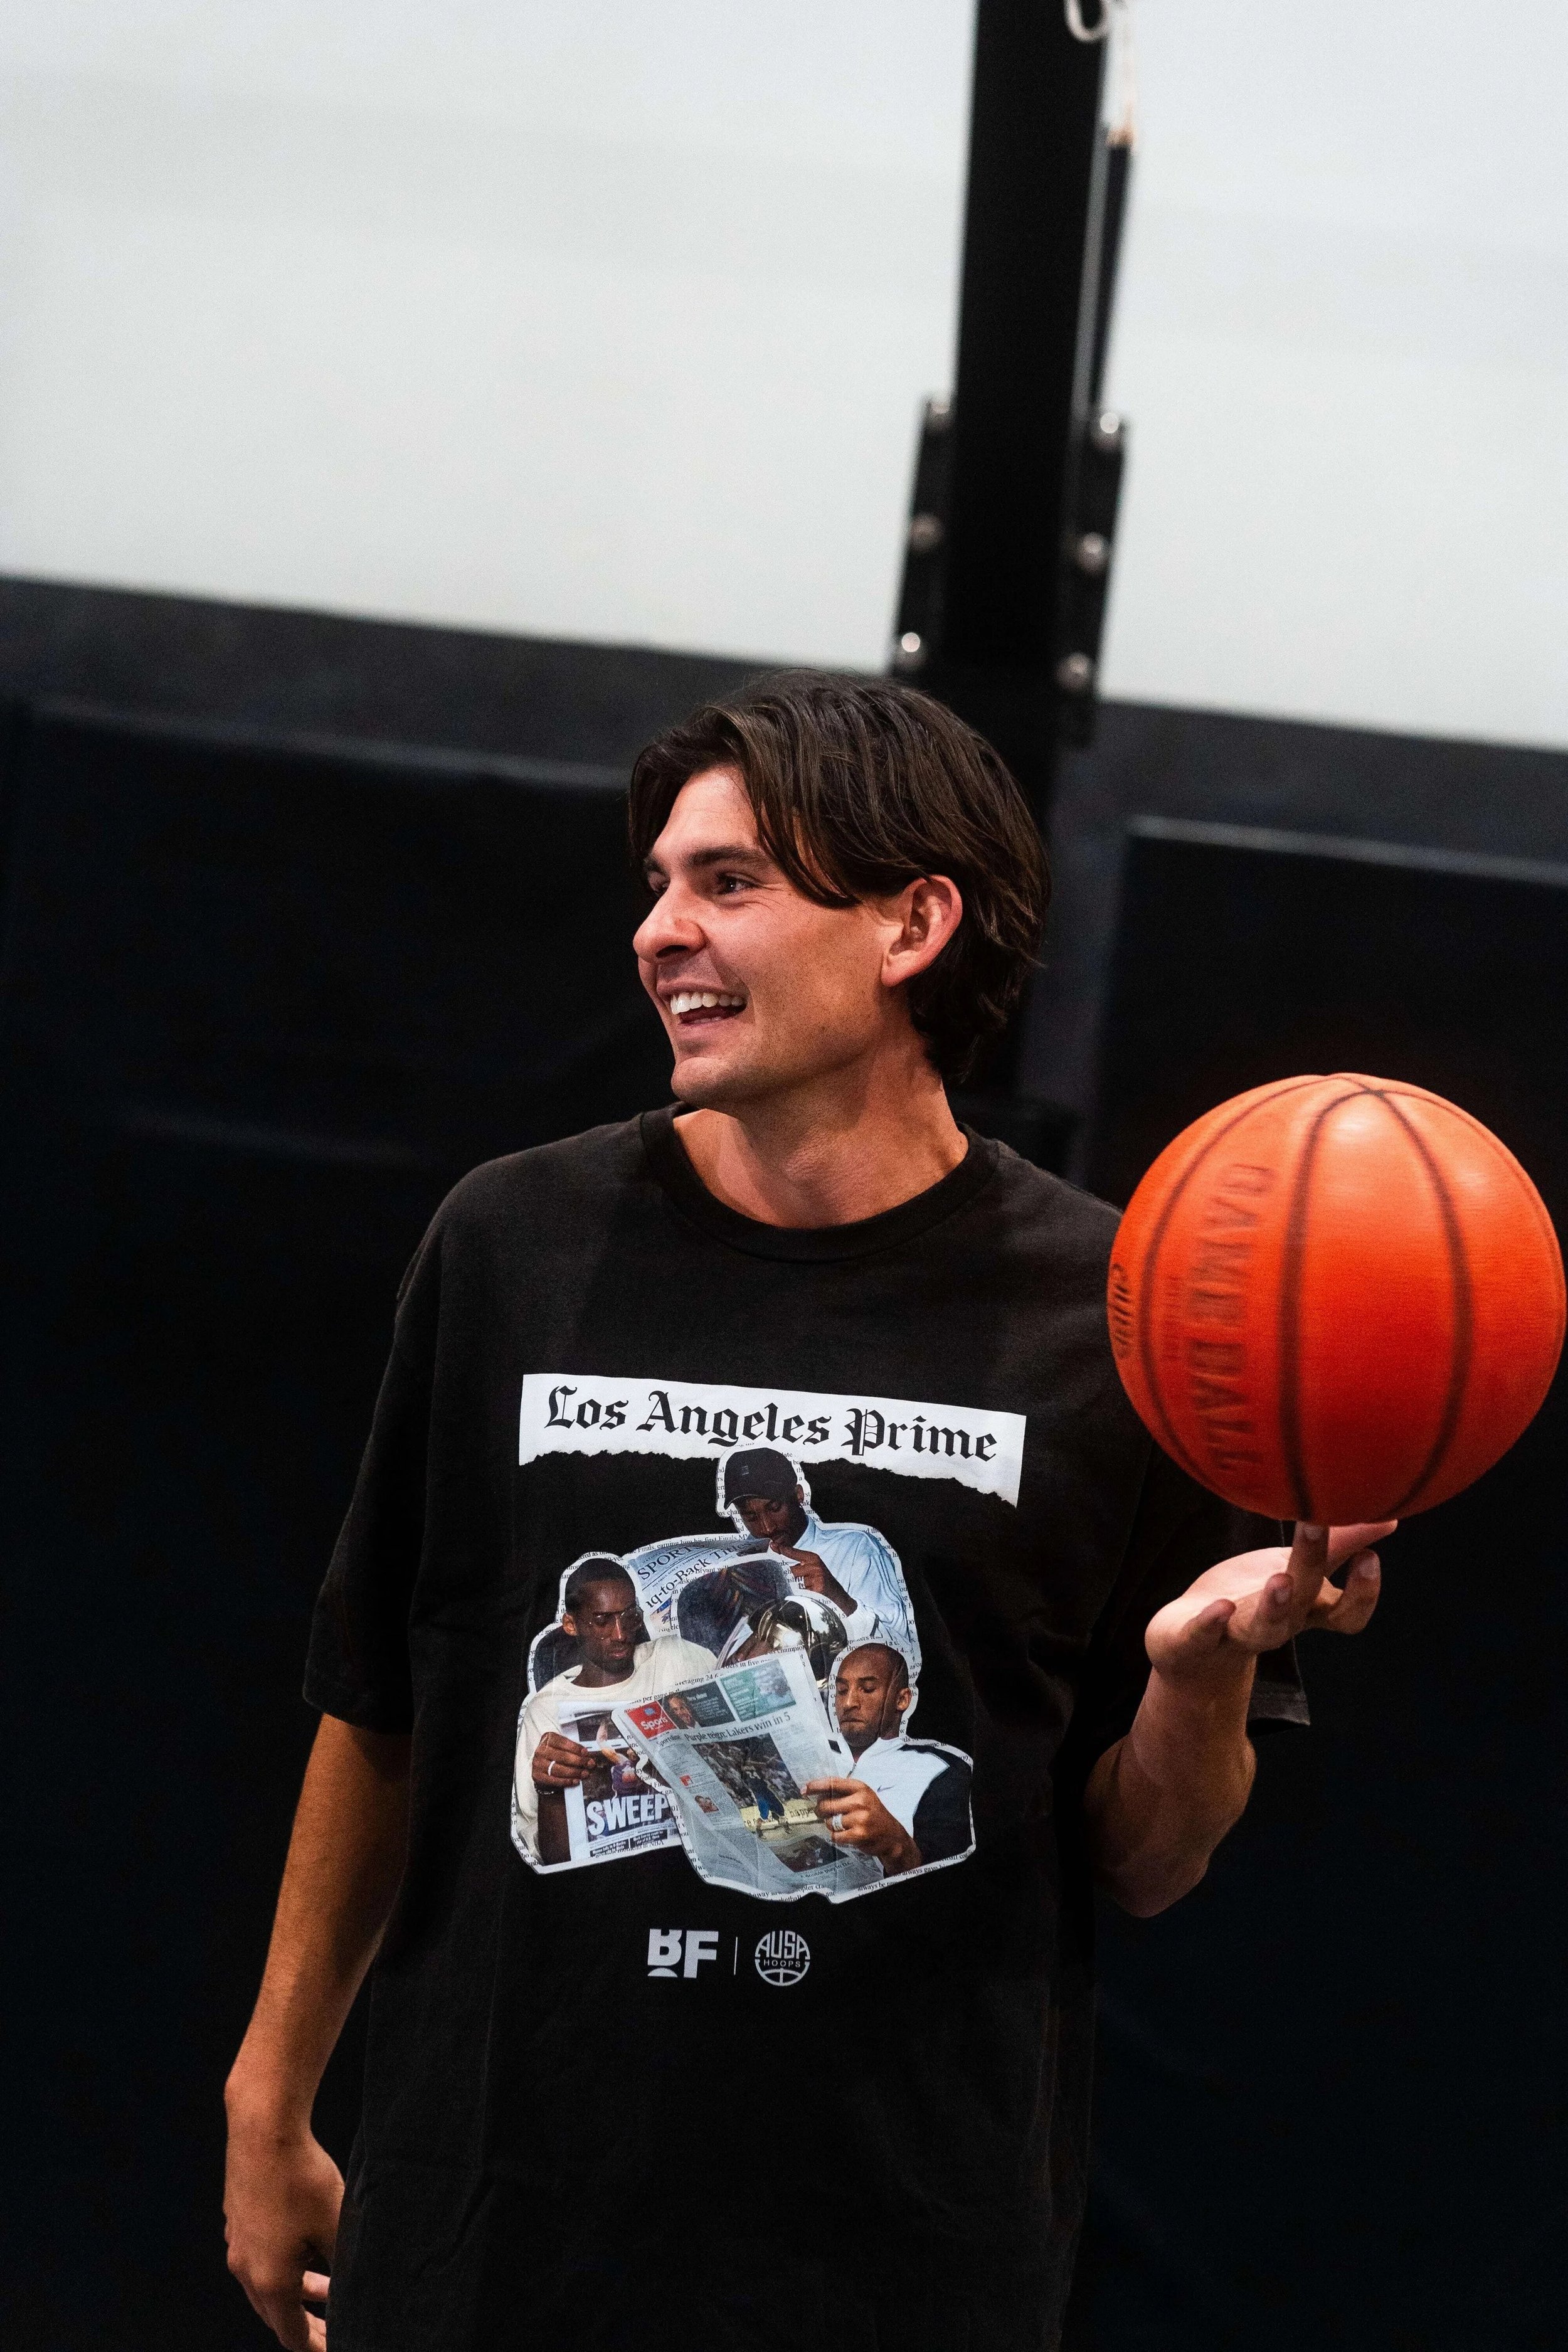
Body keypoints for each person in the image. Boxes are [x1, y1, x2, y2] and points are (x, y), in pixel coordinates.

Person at [223, 674, 1389, 2352]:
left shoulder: (1116, 1316)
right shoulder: (513, 1242)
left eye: (730, 881)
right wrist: (269, 2092)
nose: (660, 930)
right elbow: (382, 1705)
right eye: (656, 882)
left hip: (897, 2255)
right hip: (495, 2227)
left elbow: (1146, 1856)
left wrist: (1195, 1676)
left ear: (914, 922)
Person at [512, 1558, 713, 1865]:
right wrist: (549, 1790)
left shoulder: (676, 1658)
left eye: (629, 1617)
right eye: (602, 1621)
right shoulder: (547, 1709)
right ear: (571, 1625)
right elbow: (553, 1859)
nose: (620, 1634)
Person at [714, 1444, 918, 1663]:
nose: (767, 1528)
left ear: (798, 1495)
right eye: (751, 1517)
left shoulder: (856, 1549)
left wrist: (839, 1599)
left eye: (774, 1508)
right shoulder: (736, 1565)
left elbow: (903, 1650)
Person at [807, 1641, 972, 1877]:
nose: (849, 1703)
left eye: (867, 1689)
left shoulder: (940, 1769)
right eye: (842, 1690)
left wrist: (896, 1846)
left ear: (902, 1700)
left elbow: (953, 1876)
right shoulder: (814, 1751)